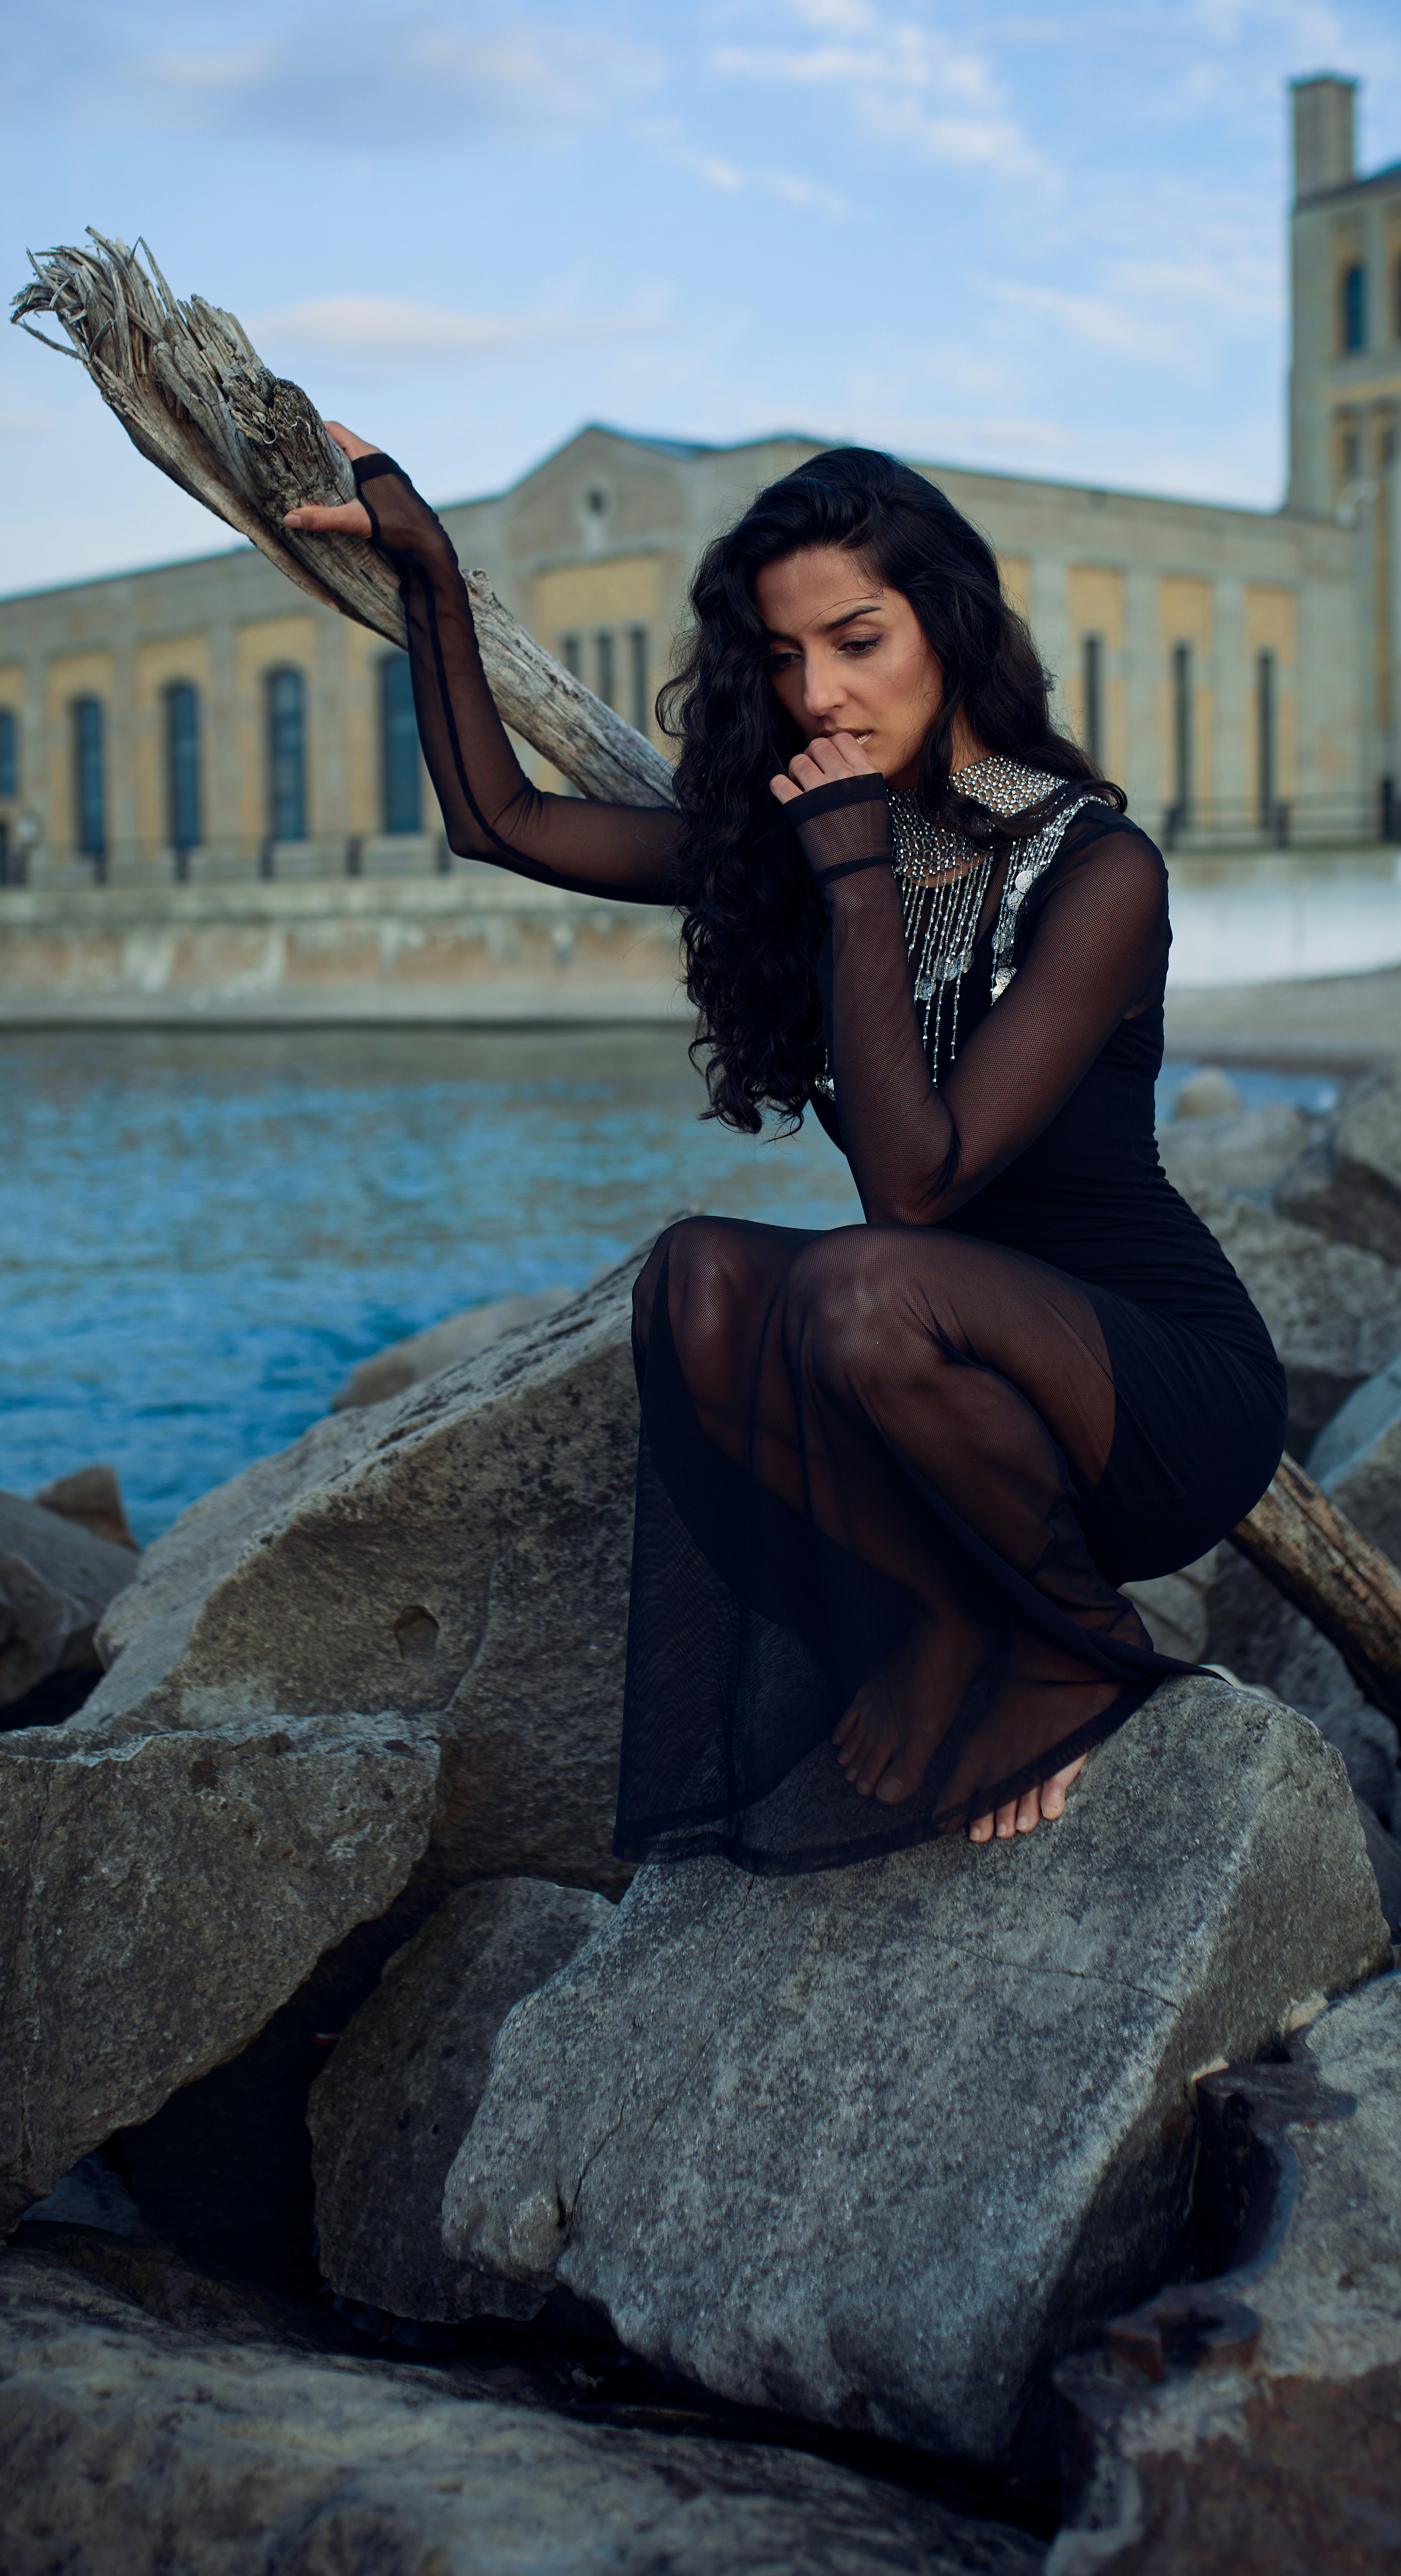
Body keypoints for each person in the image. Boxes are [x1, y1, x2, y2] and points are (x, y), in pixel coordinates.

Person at [286, 436, 1286, 1869]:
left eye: (858, 639)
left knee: (859, 1286)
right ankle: (946, 1618)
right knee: (696, 1276)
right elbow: (499, 821)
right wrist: (432, 576)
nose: (818, 691)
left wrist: (856, 873)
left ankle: (1072, 1649)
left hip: (1152, 1400)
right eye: (783, 656)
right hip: (943, 1393)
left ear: (948, 622)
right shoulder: (802, 829)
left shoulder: (1093, 865)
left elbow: (919, 1190)